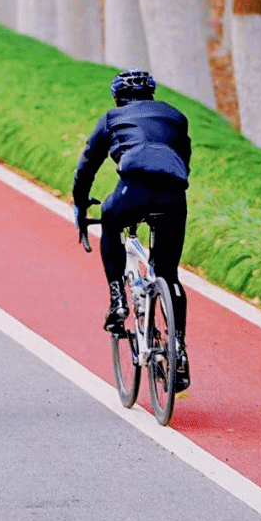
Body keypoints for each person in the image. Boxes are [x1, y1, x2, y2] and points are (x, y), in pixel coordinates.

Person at [73, 68, 191, 387]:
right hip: (173, 195)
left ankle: (117, 301)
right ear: (152, 94)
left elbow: (87, 165)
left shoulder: (113, 118)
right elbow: (183, 159)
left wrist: (80, 204)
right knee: (169, 274)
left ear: (118, 97)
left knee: (111, 221)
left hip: (134, 188)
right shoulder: (176, 117)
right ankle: (177, 348)